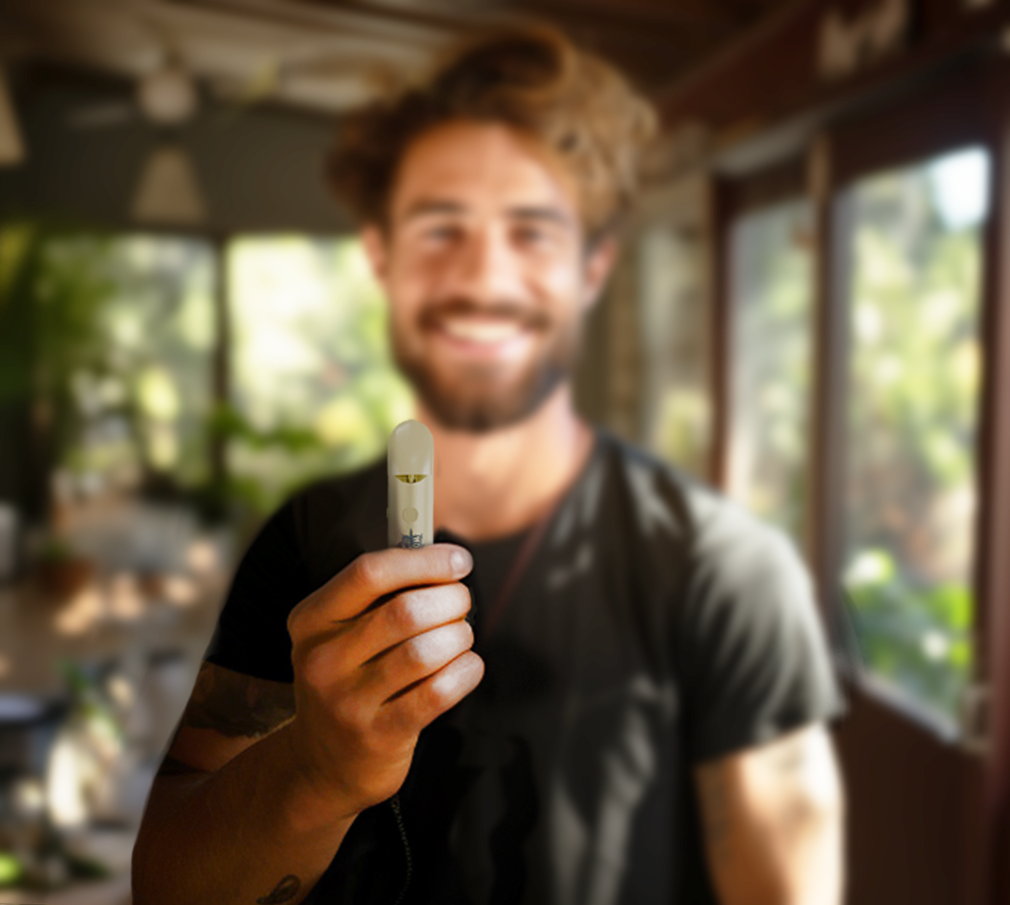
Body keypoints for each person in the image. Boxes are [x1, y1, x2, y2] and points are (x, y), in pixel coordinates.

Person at [133, 25, 845, 905]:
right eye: (441, 228)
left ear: (592, 266)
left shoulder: (727, 571)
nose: (482, 275)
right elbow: (164, 890)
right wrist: (315, 771)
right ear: (382, 258)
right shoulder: (309, 538)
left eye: (532, 231)